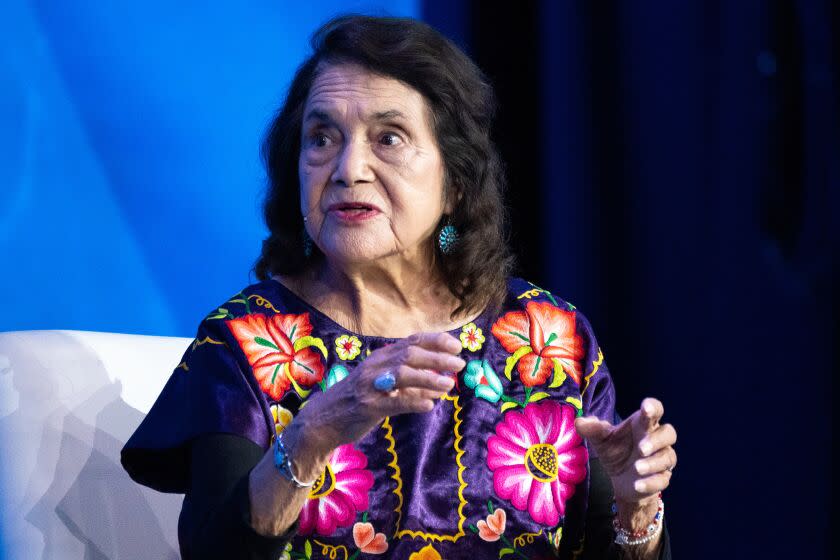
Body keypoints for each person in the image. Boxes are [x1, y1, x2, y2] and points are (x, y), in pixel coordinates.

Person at [122, 14, 676, 560]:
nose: (348, 169)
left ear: (455, 182)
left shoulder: (546, 337)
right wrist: (312, 432)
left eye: (388, 138)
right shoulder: (249, 344)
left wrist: (636, 512)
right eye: (321, 138)